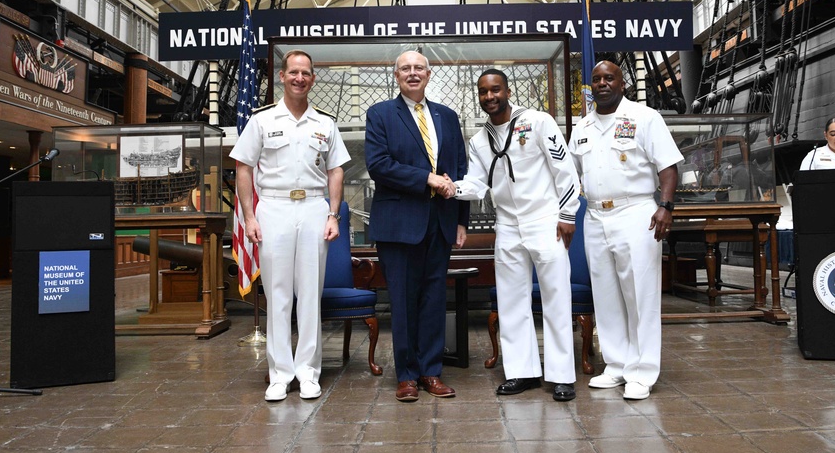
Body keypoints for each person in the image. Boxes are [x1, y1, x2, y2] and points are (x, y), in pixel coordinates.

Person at [451, 69, 580, 401]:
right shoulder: (479, 140)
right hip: (507, 225)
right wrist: (449, 187)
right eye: (483, 92)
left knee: (555, 296)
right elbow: (478, 184)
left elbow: (563, 169)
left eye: (495, 90)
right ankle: (522, 372)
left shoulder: (538, 122)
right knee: (511, 301)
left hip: (545, 220)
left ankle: (562, 375)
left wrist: (567, 214)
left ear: (508, 91)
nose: (490, 97)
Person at [230, 49, 349, 402]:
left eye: (306, 73)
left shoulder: (325, 123)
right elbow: (243, 168)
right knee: (278, 296)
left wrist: (334, 214)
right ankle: (280, 374)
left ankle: (309, 372)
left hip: (314, 208)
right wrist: (249, 217)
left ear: (313, 79)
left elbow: (336, 169)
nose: (300, 78)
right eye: (293, 72)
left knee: (310, 295)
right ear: (281, 76)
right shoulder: (262, 121)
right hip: (274, 209)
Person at [568, 61, 683, 400]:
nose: (602, 83)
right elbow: (573, 173)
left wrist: (666, 206)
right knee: (605, 294)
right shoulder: (583, 126)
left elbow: (668, 166)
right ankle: (616, 366)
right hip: (595, 215)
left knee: (640, 294)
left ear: (623, 83)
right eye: (597, 79)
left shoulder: (645, 118)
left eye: (609, 78)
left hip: (636, 212)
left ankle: (642, 372)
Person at [364, 50, 469, 403]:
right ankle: (406, 375)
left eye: (418, 68)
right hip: (398, 225)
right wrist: (427, 179)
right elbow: (379, 165)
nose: (412, 73)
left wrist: (462, 220)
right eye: (405, 68)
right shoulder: (380, 114)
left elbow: (460, 171)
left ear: (429, 73)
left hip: (440, 223)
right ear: (395, 75)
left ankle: (431, 372)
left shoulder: (448, 117)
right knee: (404, 301)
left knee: (434, 300)